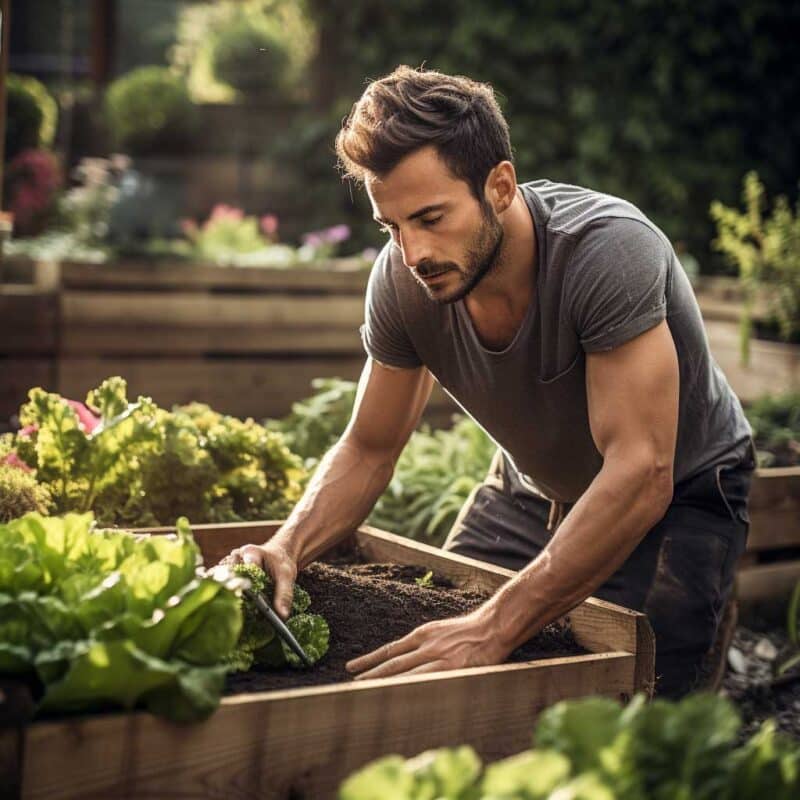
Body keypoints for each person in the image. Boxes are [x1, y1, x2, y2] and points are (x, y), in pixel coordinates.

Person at [224, 65, 755, 697]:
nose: (413, 252)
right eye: (392, 226)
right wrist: (286, 547)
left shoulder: (608, 252)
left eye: (430, 216)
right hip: (531, 490)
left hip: (682, 491)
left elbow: (641, 471)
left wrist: (497, 625)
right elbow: (369, 448)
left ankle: (707, 625)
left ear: (499, 186)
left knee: (645, 714)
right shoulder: (403, 280)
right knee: (440, 658)